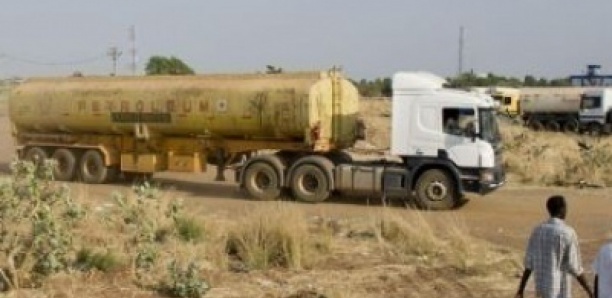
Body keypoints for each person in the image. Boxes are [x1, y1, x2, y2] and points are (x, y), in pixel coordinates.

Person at [515, 195, 593, 298]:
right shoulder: (567, 232)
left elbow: (529, 264)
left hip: (541, 290)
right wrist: (590, 291)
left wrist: (521, 290)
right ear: (562, 209)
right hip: (559, 292)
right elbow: (575, 267)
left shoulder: (537, 231)